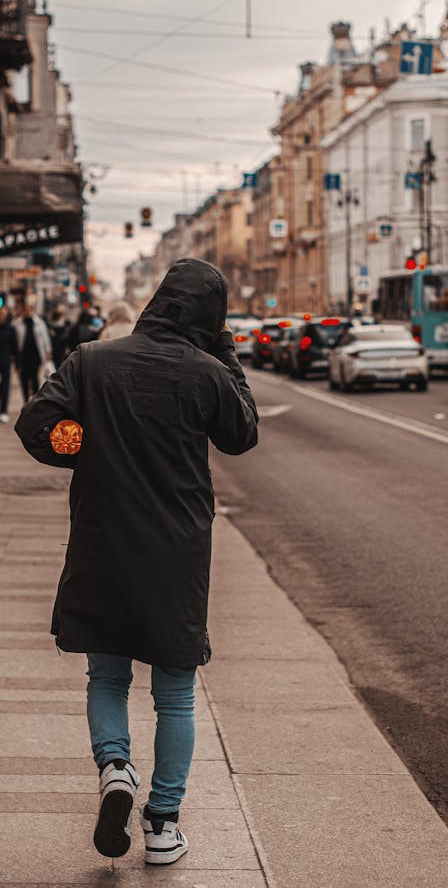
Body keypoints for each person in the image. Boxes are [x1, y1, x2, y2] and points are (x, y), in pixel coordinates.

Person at [15, 258, 258, 866]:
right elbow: (241, 432)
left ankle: (116, 767)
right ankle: (163, 825)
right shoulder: (205, 372)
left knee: (108, 675)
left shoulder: (92, 360)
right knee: (174, 694)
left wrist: (86, 450)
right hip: (175, 553)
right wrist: (226, 352)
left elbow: (36, 424)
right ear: (209, 315)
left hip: (103, 542)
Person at [13, 299, 52, 402]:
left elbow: (45, 337)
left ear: (32, 309)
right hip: (23, 356)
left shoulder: (39, 323)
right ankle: (26, 401)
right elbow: (15, 341)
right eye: (25, 309)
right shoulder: (17, 323)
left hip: (35, 355)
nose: (27, 311)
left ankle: (35, 401)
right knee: (24, 380)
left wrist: (48, 350)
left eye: (29, 309)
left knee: (34, 379)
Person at [0, 306, 19, 423]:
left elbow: (15, 347)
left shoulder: (10, 329)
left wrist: (17, 363)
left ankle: (4, 411)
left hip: (5, 362)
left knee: (5, 386)